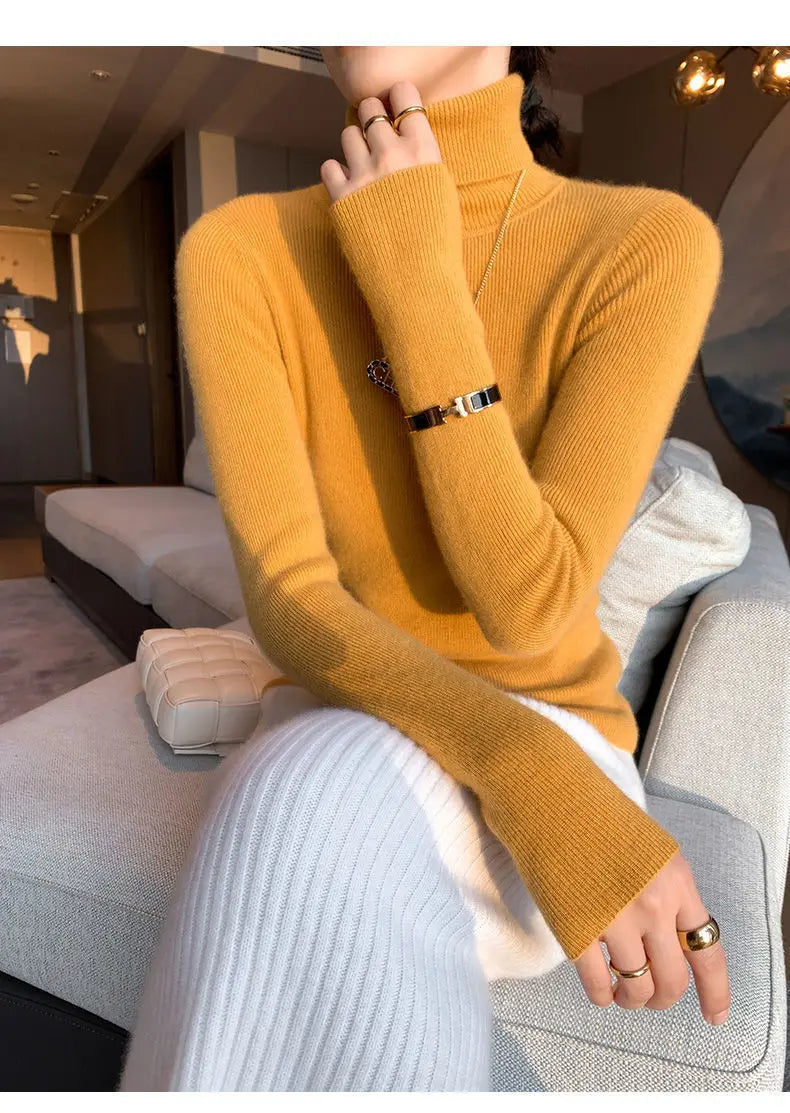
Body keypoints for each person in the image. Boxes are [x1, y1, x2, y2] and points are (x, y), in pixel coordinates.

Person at [119, 45, 731, 1091]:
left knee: (302, 798)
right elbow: (291, 600)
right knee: (308, 788)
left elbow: (527, 604)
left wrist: (412, 272)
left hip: (557, 735)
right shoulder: (239, 248)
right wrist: (535, 783)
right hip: (399, 730)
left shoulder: (647, 242)